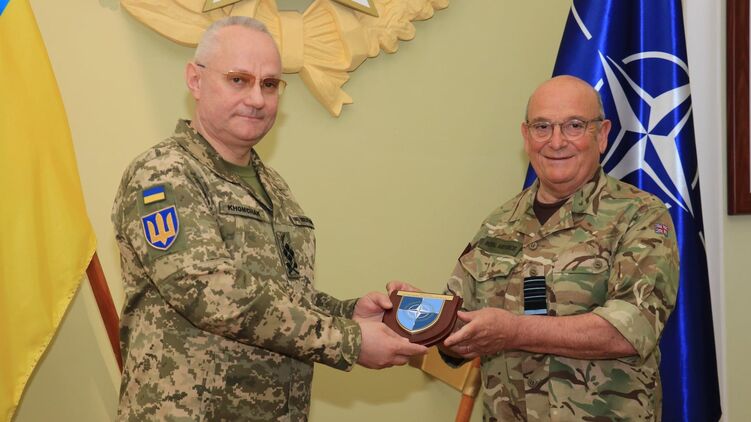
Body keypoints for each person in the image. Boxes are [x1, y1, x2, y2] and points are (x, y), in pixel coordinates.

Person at [111, 16, 426, 421]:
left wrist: (349, 313)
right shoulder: (163, 173)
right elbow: (209, 292)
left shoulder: (273, 186)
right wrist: (349, 340)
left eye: (270, 84)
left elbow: (283, 295)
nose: (257, 99)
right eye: (238, 80)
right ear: (195, 80)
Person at [391, 75, 679, 421]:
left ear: (601, 134)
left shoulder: (641, 215)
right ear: (526, 137)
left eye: (574, 126)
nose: (556, 141)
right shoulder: (499, 223)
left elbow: (631, 330)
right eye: (542, 127)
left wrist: (514, 331)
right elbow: (461, 324)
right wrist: (419, 314)